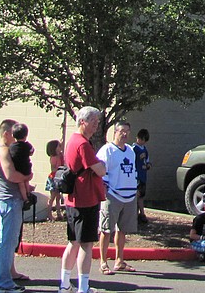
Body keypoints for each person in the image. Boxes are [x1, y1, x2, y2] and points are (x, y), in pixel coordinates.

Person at [59, 106, 107, 293]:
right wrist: (101, 164)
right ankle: (84, 287)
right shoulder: (83, 144)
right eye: (93, 122)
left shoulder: (72, 140)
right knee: (86, 243)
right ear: (82, 122)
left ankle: (64, 284)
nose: (96, 125)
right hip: (86, 199)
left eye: (98, 122)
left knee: (73, 242)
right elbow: (100, 170)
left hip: (73, 199)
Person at [0, 118, 33, 293]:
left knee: (2, 241)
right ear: (6, 133)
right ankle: (3, 282)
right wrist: (27, 178)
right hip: (9, 200)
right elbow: (11, 175)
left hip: (6, 199)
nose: (15, 138)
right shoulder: (3, 151)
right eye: (13, 134)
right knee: (7, 242)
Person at [96, 120, 139, 275]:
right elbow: (101, 172)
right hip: (112, 195)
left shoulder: (130, 151)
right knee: (106, 229)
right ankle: (103, 262)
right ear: (115, 132)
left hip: (129, 195)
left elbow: (133, 171)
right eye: (121, 131)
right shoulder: (107, 150)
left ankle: (119, 261)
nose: (124, 134)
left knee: (122, 230)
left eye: (127, 131)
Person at [8, 124, 35, 207]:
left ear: (13, 135)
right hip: (26, 167)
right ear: (26, 135)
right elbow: (32, 152)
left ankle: (25, 198)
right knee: (26, 181)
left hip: (17, 168)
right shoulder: (27, 145)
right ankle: (28, 193)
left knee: (21, 183)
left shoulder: (12, 146)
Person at [132, 128, 151, 224]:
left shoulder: (144, 149)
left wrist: (148, 165)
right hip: (136, 176)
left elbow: (147, 160)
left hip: (143, 175)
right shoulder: (134, 149)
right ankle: (136, 215)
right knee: (136, 195)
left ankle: (141, 214)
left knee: (141, 196)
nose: (141, 141)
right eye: (140, 139)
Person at [46, 139, 65, 220]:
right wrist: (60, 169)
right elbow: (53, 169)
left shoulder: (60, 155)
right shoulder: (54, 157)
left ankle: (58, 213)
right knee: (52, 197)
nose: (60, 147)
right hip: (54, 178)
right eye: (58, 146)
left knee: (58, 197)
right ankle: (49, 214)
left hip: (59, 178)